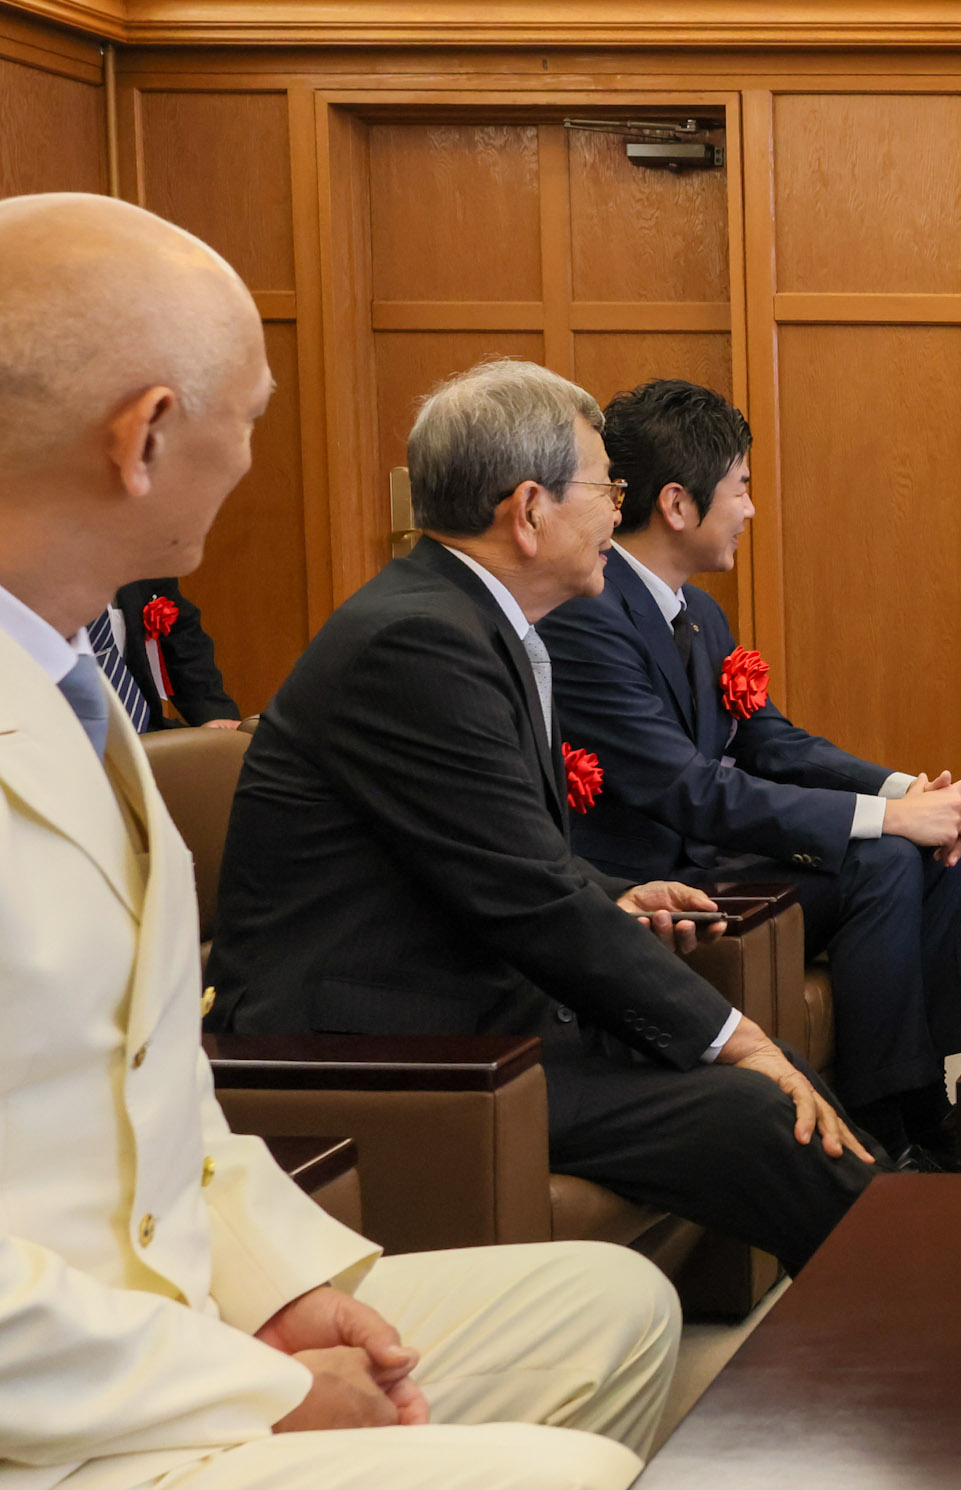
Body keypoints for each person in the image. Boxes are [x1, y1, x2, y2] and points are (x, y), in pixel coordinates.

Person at [0, 191, 680, 1490]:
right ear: (148, 433)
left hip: (139, 1328)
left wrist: (290, 1292)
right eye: (250, 418)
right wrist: (244, 1389)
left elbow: (152, 1091)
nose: (258, 452)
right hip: (34, 1459)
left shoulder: (70, 665)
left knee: (606, 1305)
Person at [207, 357, 875, 1272]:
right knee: (757, 1106)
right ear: (528, 511)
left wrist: (619, 893)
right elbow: (522, 890)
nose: (616, 514)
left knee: (751, 1097)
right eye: (607, 490)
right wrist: (741, 1039)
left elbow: (497, 853)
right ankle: (935, 1321)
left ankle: (918, 1308)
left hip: (479, 1004)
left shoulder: (466, 619)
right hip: (398, 1049)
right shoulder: (417, 643)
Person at [538, 379, 961, 1162]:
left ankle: (924, 1097)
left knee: (922, 843)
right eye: (741, 489)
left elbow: (769, 741)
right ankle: (889, 1123)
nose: (750, 510)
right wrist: (889, 819)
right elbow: (689, 787)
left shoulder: (700, 612)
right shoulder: (590, 618)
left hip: (713, 854)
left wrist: (907, 793)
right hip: (646, 880)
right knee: (884, 854)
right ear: (678, 505)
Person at [84, 576, 242, 729]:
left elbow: (181, 634)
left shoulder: (137, 556)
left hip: (145, 730)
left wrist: (214, 713)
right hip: (70, 737)